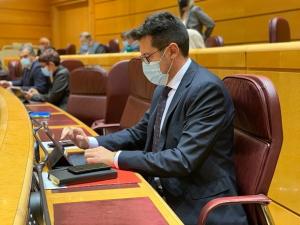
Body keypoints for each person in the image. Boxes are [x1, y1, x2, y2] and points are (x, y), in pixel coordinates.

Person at [61, 12, 248, 225]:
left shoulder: (205, 89)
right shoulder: (163, 87)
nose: (144, 64)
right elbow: (139, 132)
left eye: (147, 57)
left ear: (172, 51)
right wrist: (90, 142)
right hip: (163, 189)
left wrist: (115, 158)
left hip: (197, 204)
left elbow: (182, 160)